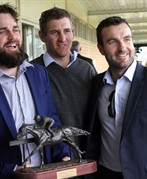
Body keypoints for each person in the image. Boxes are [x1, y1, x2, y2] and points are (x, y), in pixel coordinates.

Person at [0, 4, 70, 179]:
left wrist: (62, 154)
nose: (12, 37)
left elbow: (52, 120)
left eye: (15, 29)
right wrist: (10, 170)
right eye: (2, 32)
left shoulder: (39, 73)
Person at [85, 16, 147, 179]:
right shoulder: (96, 84)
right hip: (104, 173)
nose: (122, 48)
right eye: (112, 42)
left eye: (127, 39)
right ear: (101, 48)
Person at [32, 7, 97, 160]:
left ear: (73, 33)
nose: (62, 38)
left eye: (67, 31)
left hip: (87, 157)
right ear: (42, 36)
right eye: (54, 32)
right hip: (50, 160)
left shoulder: (87, 70)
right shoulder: (31, 72)